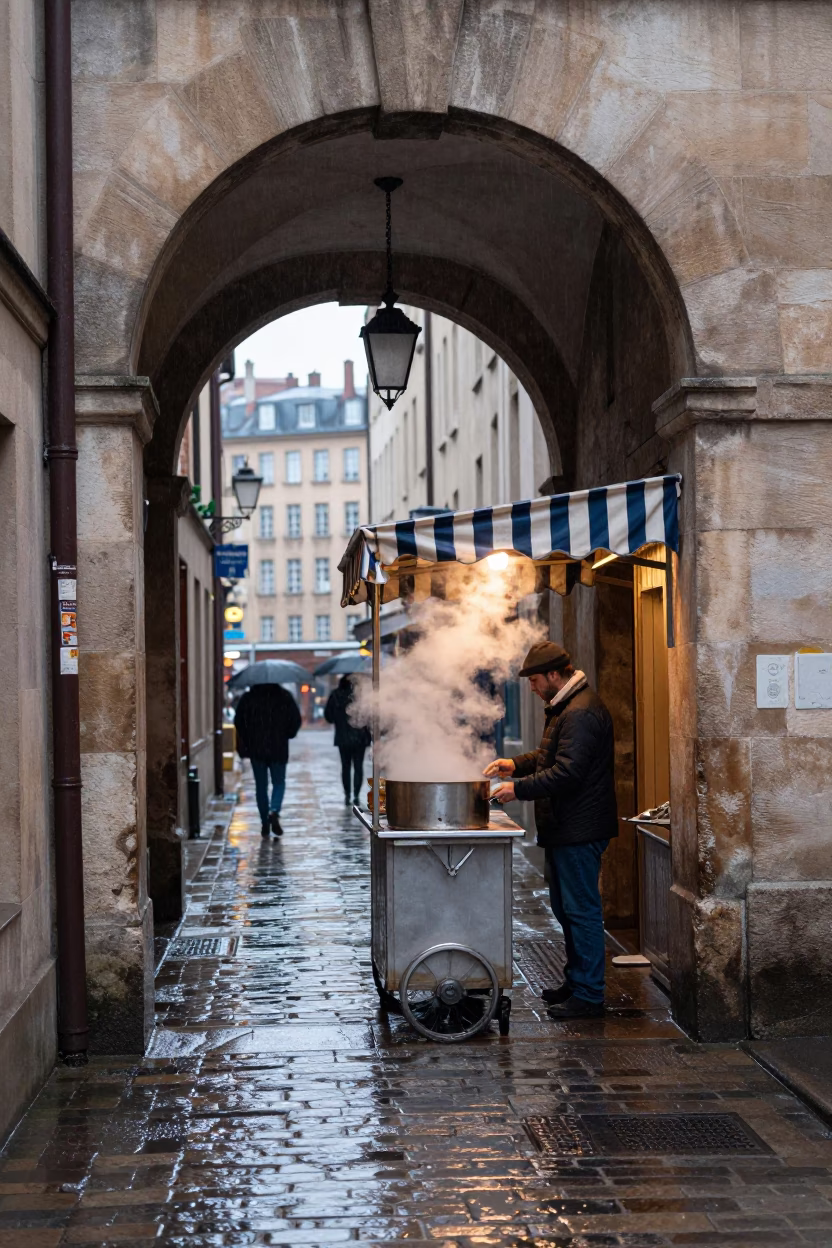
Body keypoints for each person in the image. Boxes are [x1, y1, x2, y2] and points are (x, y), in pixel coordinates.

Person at [485, 640, 617, 1019]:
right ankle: (577, 981)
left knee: (581, 911)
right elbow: (549, 757)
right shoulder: (564, 707)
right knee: (565, 908)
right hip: (566, 827)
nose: (531, 686)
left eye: (535, 679)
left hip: (580, 828)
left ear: (555, 675)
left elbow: (568, 773)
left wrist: (518, 789)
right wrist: (514, 764)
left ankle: (590, 995)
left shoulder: (580, 712)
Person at [235, 682, 301, 837]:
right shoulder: (284, 697)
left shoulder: (249, 698)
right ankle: (274, 810)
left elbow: (239, 721)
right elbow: (295, 720)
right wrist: (287, 734)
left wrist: (248, 738)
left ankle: (264, 822)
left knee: (261, 786)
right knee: (279, 782)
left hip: (256, 748)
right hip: (279, 747)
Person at [325, 675, 371, 807]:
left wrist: (339, 718)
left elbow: (328, 716)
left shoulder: (335, 695)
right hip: (360, 737)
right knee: (358, 766)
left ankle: (347, 794)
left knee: (345, 767)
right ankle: (356, 794)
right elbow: (370, 715)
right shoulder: (362, 696)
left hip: (342, 737)